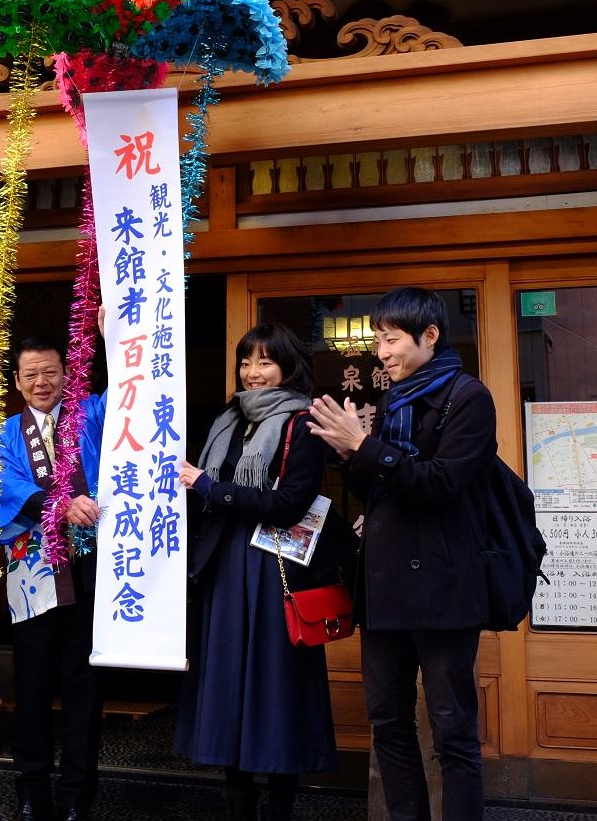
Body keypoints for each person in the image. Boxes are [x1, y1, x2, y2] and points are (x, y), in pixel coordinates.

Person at [308, 287, 496, 821]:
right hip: (385, 587)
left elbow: (442, 484)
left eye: (390, 340)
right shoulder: (396, 402)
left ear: (429, 336)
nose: (381, 352)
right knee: (387, 724)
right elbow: (380, 493)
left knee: (452, 731)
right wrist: (350, 454)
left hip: (443, 590)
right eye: (377, 341)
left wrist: (365, 446)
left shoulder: (469, 397)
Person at [175, 323, 339, 821]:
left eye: (265, 362)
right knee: (227, 682)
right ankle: (238, 803)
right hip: (226, 567)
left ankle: (281, 807)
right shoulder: (228, 419)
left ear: (288, 366)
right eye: (246, 362)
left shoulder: (302, 422)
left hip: (273, 571)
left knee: (276, 686)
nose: (253, 372)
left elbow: (290, 504)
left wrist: (208, 487)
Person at [0, 336, 105, 821]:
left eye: (51, 372)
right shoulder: (3, 433)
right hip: (34, 576)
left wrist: (113, 335)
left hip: (92, 572)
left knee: (84, 688)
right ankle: (31, 787)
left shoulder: (91, 414)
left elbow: (133, 395)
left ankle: (78, 793)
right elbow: (6, 486)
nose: (42, 383)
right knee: (32, 687)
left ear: (68, 373)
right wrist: (60, 504)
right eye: (31, 375)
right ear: (17, 381)